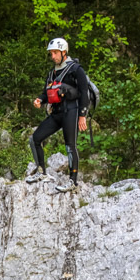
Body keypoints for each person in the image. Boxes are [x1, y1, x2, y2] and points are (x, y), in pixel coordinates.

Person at [27, 37, 89, 193]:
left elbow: (84, 93)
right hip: (57, 113)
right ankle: (41, 172)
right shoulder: (52, 73)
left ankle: (73, 182)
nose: (52, 56)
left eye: (55, 52)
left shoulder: (76, 69)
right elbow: (46, 93)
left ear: (63, 52)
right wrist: (40, 100)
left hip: (72, 111)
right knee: (35, 138)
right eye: (51, 53)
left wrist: (83, 115)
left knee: (70, 145)